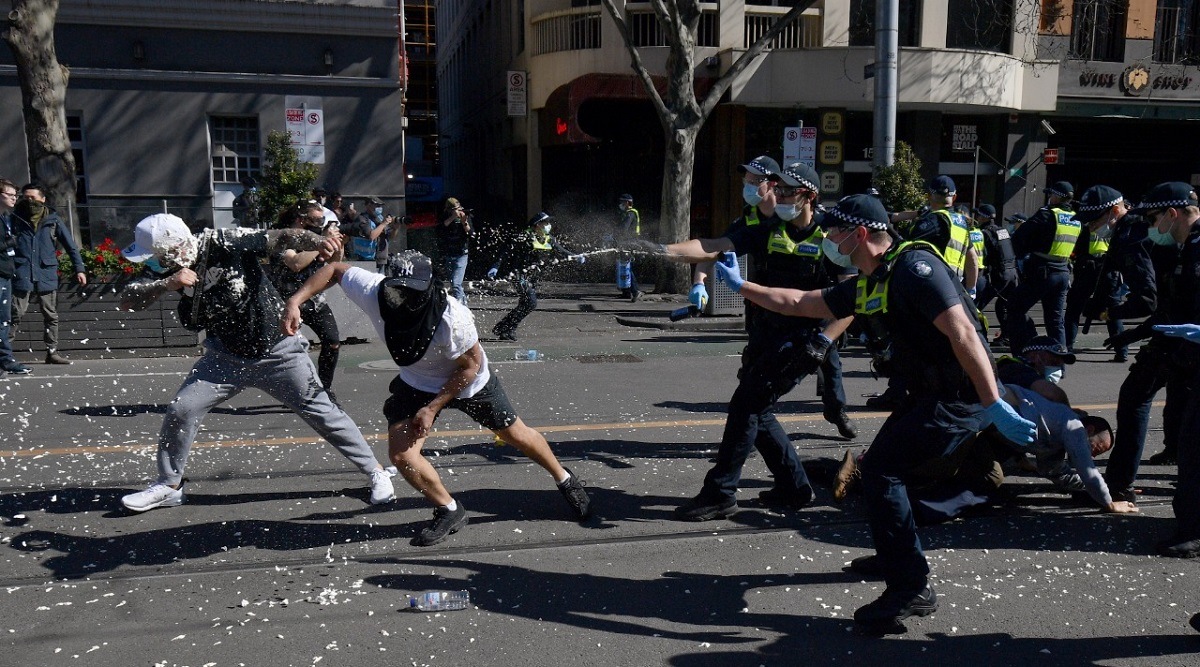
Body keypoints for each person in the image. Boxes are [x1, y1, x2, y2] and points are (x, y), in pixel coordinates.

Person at [713, 193, 1036, 633]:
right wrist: (741, 288)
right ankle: (897, 559)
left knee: (884, 472)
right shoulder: (872, 281)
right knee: (878, 472)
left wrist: (992, 401)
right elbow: (801, 302)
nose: (828, 238)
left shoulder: (915, 269)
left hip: (959, 398)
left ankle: (911, 587)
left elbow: (963, 332)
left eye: (834, 231)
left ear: (860, 234)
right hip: (929, 395)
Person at [281, 250, 592, 546]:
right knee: (402, 456)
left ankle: (564, 478)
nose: (403, 298)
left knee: (515, 435)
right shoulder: (374, 290)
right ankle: (449, 509)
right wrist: (295, 301)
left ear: (430, 286)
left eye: (412, 291)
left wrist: (432, 408)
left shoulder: (453, 318)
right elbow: (335, 270)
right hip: (417, 382)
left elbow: (470, 367)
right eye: (397, 290)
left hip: (469, 383)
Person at [116, 213, 395, 512]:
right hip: (224, 356)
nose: (151, 262)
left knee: (323, 412)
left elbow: (282, 237)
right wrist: (166, 283)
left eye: (154, 256)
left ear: (174, 248)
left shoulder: (224, 242)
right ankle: (169, 485)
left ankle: (375, 471)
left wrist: (318, 241)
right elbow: (128, 300)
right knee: (182, 409)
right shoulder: (164, 268)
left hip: (278, 351)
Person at [634, 162, 858, 521]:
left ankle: (720, 492)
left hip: (801, 341)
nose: (779, 196)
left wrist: (823, 341)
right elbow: (713, 246)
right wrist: (661, 250)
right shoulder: (768, 229)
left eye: (788, 191)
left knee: (745, 407)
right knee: (757, 408)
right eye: (778, 189)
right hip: (766, 334)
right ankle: (794, 487)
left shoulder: (830, 237)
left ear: (809, 196)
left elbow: (852, 300)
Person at [1103, 182, 1197, 506]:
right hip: (1177, 346)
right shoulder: (1184, 248)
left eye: (1153, 219)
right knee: (1177, 416)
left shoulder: (1194, 249)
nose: (1150, 227)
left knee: (1143, 401)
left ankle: (1122, 484)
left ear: (1172, 214)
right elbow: (1172, 308)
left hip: (1185, 349)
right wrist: (1134, 334)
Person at [868, 175, 979, 411]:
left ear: (929, 195)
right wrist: (971, 289)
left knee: (906, 341)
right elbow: (972, 259)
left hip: (927, 288)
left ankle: (898, 393)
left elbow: (905, 248)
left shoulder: (933, 221)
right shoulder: (961, 222)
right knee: (947, 344)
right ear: (954, 198)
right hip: (955, 289)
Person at [268, 202, 345, 400]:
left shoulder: (318, 239)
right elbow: (295, 263)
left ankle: (324, 391)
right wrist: (320, 244)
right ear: (301, 220)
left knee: (332, 342)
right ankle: (292, 391)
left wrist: (337, 245)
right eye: (316, 220)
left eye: (322, 220)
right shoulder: (283, 237)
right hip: (287, 302)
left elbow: (334, 264)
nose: (320, 224)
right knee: (288, 351)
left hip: (314, 299)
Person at [9, 183, 87, 365]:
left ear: (43, 199)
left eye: (33, 198)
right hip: (22, 272)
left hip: (46, 272)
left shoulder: (53, 220)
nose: (29, 201)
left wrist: (80, 269)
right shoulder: (14, 218)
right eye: (25, 197)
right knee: (15, 313)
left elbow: (71, 246)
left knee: (50, 314)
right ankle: (4, 352)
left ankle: (52, 352)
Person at [487, 212, 585, 341]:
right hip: (519, 275)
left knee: (525, 304)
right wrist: (495, 266)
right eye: (546, 222)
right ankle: (505, 327)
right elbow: (505, 251)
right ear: (537, 225)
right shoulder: (524, 237)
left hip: (533, 276)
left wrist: (575, 256)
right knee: (531, 302)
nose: (549, 225)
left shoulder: (548, 238)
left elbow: (561, 251)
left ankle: (505, 329)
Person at [1006, 181, 1079, 352]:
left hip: (1042, 271)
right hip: (1063, 272)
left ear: (1057, 197)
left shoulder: (1046, 214)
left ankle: (1022, 352)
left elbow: (1020, 237)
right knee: (1055, 320)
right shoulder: (1075, 219)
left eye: (1051, 194)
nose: (1049, 197)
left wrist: (1023, 255)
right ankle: (1059, 359)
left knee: (1015, 308)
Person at [1064, 185, 1125, 356]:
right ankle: (1121, 349)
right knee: (1112, 308)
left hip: (1089, 268)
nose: (1093, 225)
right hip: (1108, 269)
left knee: (1074, 308)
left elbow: (1078, 247)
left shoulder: (1092, 225)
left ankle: (1067, 346)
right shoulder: (1115, 228)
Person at [974, 204, 1019, 349]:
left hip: (1000, 274)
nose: (977, 217)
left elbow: (984, 256)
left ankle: (977, 337)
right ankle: (1007, 336)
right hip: (1012, 272)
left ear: (984, 217)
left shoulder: (984, 233)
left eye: (978, 215)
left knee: (976, 305)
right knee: (1003, 305)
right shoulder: (1002, 230)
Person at [0, 179, 30, 375]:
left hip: (5, 273)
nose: (14, 198)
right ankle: (5, 360)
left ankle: (5, 359)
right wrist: (9, 243)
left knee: (4, 319)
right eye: (9, 194)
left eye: (15, 195)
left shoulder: (7, 217)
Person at [436, 197, 472, 304]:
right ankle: (464, 305)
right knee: (454, 283)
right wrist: (452, 217)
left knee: (456, 283)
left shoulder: (464, 216)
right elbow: (440, 229)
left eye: (459, 208)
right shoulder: (445, 217)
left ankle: (460, 307)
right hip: (449, 253)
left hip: (461, 254)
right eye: (455, 209)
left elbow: (470, 233)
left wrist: (464, 222)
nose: (458, 210)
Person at [615, 193, 642, 302]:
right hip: (627, 242)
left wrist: (616, 235)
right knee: (622, 265)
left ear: (627, 202)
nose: (620, 204)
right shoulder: (627, 213)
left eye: (622, 202)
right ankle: (626, 292)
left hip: (629, 242)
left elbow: (624, 228)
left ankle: (635, 291)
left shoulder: (631, 213)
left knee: (626, 266)